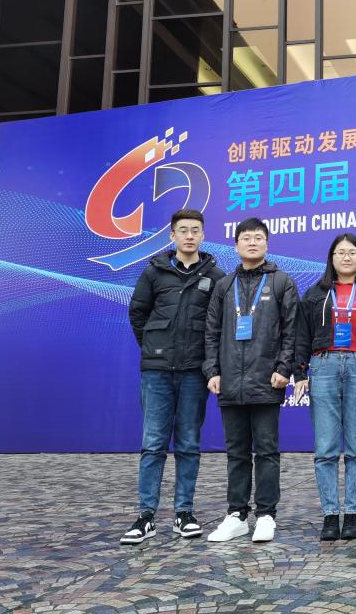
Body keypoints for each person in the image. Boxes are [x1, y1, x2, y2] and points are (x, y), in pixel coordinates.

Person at [121, 209, 224, 545]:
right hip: (157, 372)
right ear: (172, 236)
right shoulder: (155, 271)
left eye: (195, 230)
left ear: (203, 235)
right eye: (183, 230)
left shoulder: (216, 276)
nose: (189, 236)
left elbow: (218, 325)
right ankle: (145, 516)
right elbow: (138, 313)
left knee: (189, 443)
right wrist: (154, 347)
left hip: (194, 371)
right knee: (153, 444)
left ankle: (184, 513)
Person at [203, 217, 299, 543]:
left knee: (267, 451)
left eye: (258, 237)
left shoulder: (281, 282)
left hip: (267, 380)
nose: (252, 242)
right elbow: (211, 332)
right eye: (246, 238)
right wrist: (212, 371)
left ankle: (266, 515)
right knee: (237, 452)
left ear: (267, 244)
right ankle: (236, 515)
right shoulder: (224, 285)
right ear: (236, 245)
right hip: (230, 381)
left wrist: (284, 368)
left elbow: (291, 331)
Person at [293, 233, 356, 541]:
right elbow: (301, 334)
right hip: (323, 366)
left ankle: (352, 513)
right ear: (331, 258)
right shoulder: (315, 293)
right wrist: (299, 372)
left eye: (352, 252)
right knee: (326, 447)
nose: (346, 257)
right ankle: (330, 514)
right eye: (340, 252)